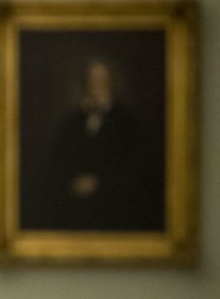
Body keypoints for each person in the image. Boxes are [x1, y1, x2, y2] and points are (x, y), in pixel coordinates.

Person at [21, 59, 164, 231]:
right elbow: (57, 161)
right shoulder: (72, 121)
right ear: (85, 82)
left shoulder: (127, 121)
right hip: (75, 208)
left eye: (101, 78)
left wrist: (99, 183)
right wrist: (73, 182)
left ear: (110, 81)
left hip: (115, 208)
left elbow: (134, 166)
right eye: (92, 78)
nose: (96, 83)